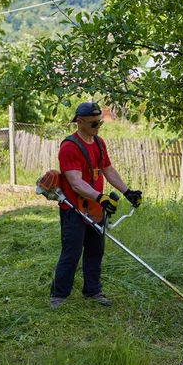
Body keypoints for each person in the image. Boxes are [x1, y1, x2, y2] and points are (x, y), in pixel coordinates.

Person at [50, 102, 142, 309]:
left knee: (95, 250)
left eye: (100, 121)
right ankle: (58, 295)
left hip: (95, 209)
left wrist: (127, 192)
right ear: (79, 121)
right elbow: (75, 182)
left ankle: (93, 291)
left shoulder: (99, 143)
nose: (98, 125)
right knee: (72, 252)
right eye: (93, 123)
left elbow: (108, 169)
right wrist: (100, 197)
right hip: (73, 208)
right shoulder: (69, 147)